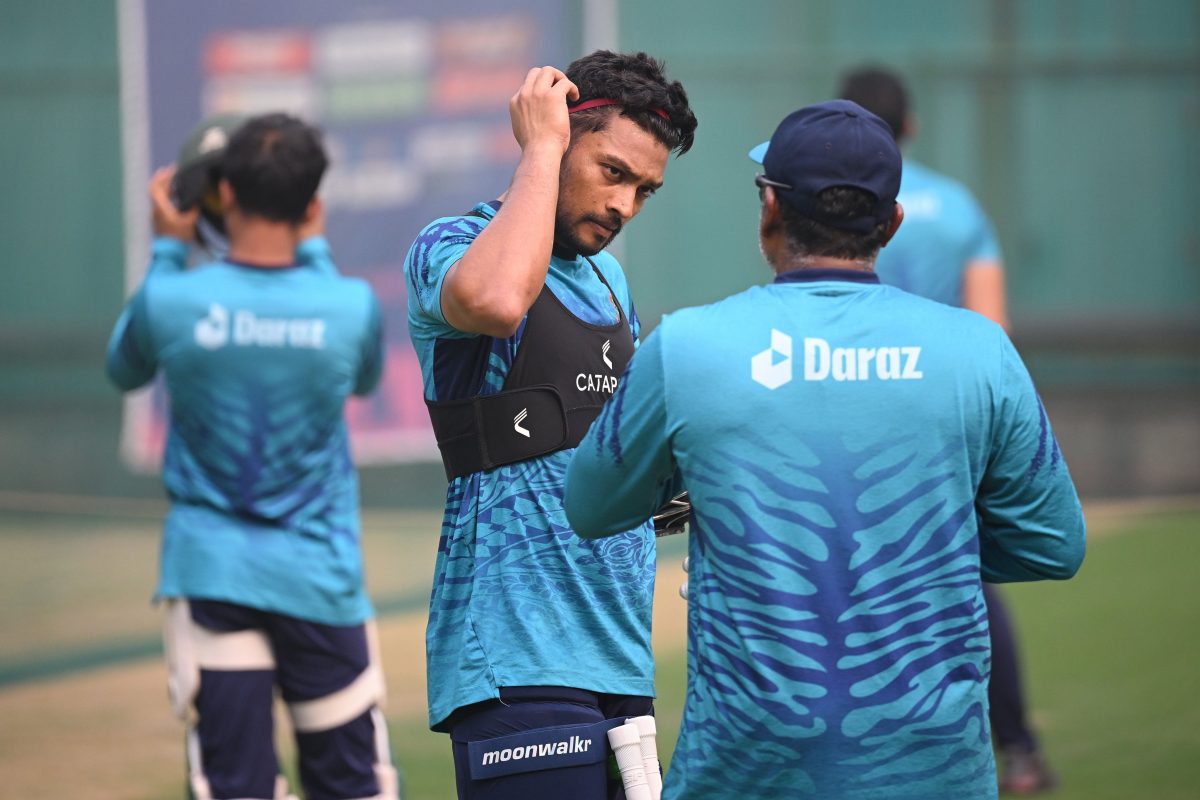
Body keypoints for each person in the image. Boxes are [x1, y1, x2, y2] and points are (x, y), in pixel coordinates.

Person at [564, 99, 1085, 800]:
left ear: (769, 207)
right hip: (936, 776)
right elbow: (1054, 545)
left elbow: (591, 507)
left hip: (743, 776)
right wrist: (918, 545)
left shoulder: (687, 345)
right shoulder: (980, 351)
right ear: (891, 223)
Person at [402, 50, 697, 799]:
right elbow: (500, 300)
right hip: (517, 663)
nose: (626, 204)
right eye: (613, 172)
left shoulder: (610, 279)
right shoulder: (449, 244)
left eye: (646, 190)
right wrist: (540, 147)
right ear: (561, 135)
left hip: (621, 663)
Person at [106, 113, 396, 800]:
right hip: (320, 579)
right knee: (353, 786)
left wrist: (171, 252)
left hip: (213, 575)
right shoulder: (350, 305)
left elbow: (123, 369)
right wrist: (317, 252)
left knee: (236, 788)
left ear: (223, 192)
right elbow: (363, 380)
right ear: (313, 204)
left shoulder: (170, 299)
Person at [839, 65, 1055, 795]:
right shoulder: (959, 209)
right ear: (913, 127)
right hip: (940, 423)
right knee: (965, 580)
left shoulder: (832, 202)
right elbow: (993, 330)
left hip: (843, 420)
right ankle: (1019, 748)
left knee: (838, 580)